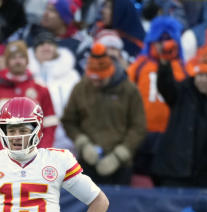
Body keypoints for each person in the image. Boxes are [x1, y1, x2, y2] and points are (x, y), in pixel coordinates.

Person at [62, 43, 146, 185]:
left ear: (110, 72)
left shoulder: (129, 90)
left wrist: (120, 154)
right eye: (92, 79)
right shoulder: (81, 88)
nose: (95, 83)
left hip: (120, 164)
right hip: (88, 160)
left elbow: (138, 127)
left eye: (100, 79)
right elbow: (69, 120)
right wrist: (83, 144)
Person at [152, 61, 207, 188]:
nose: (203, 80)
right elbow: (165, 85)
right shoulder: (182, 92)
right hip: (175, 173)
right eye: (200, 75)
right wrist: (165, 65)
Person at [0, 40, 56, 154]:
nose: (17, 61)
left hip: (32, 156)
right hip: (0, 155)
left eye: (21, 57)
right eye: (13, 58)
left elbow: (49, 125)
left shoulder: (40, 89)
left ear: (27, 60)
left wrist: (41, 153)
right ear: (7, 62)